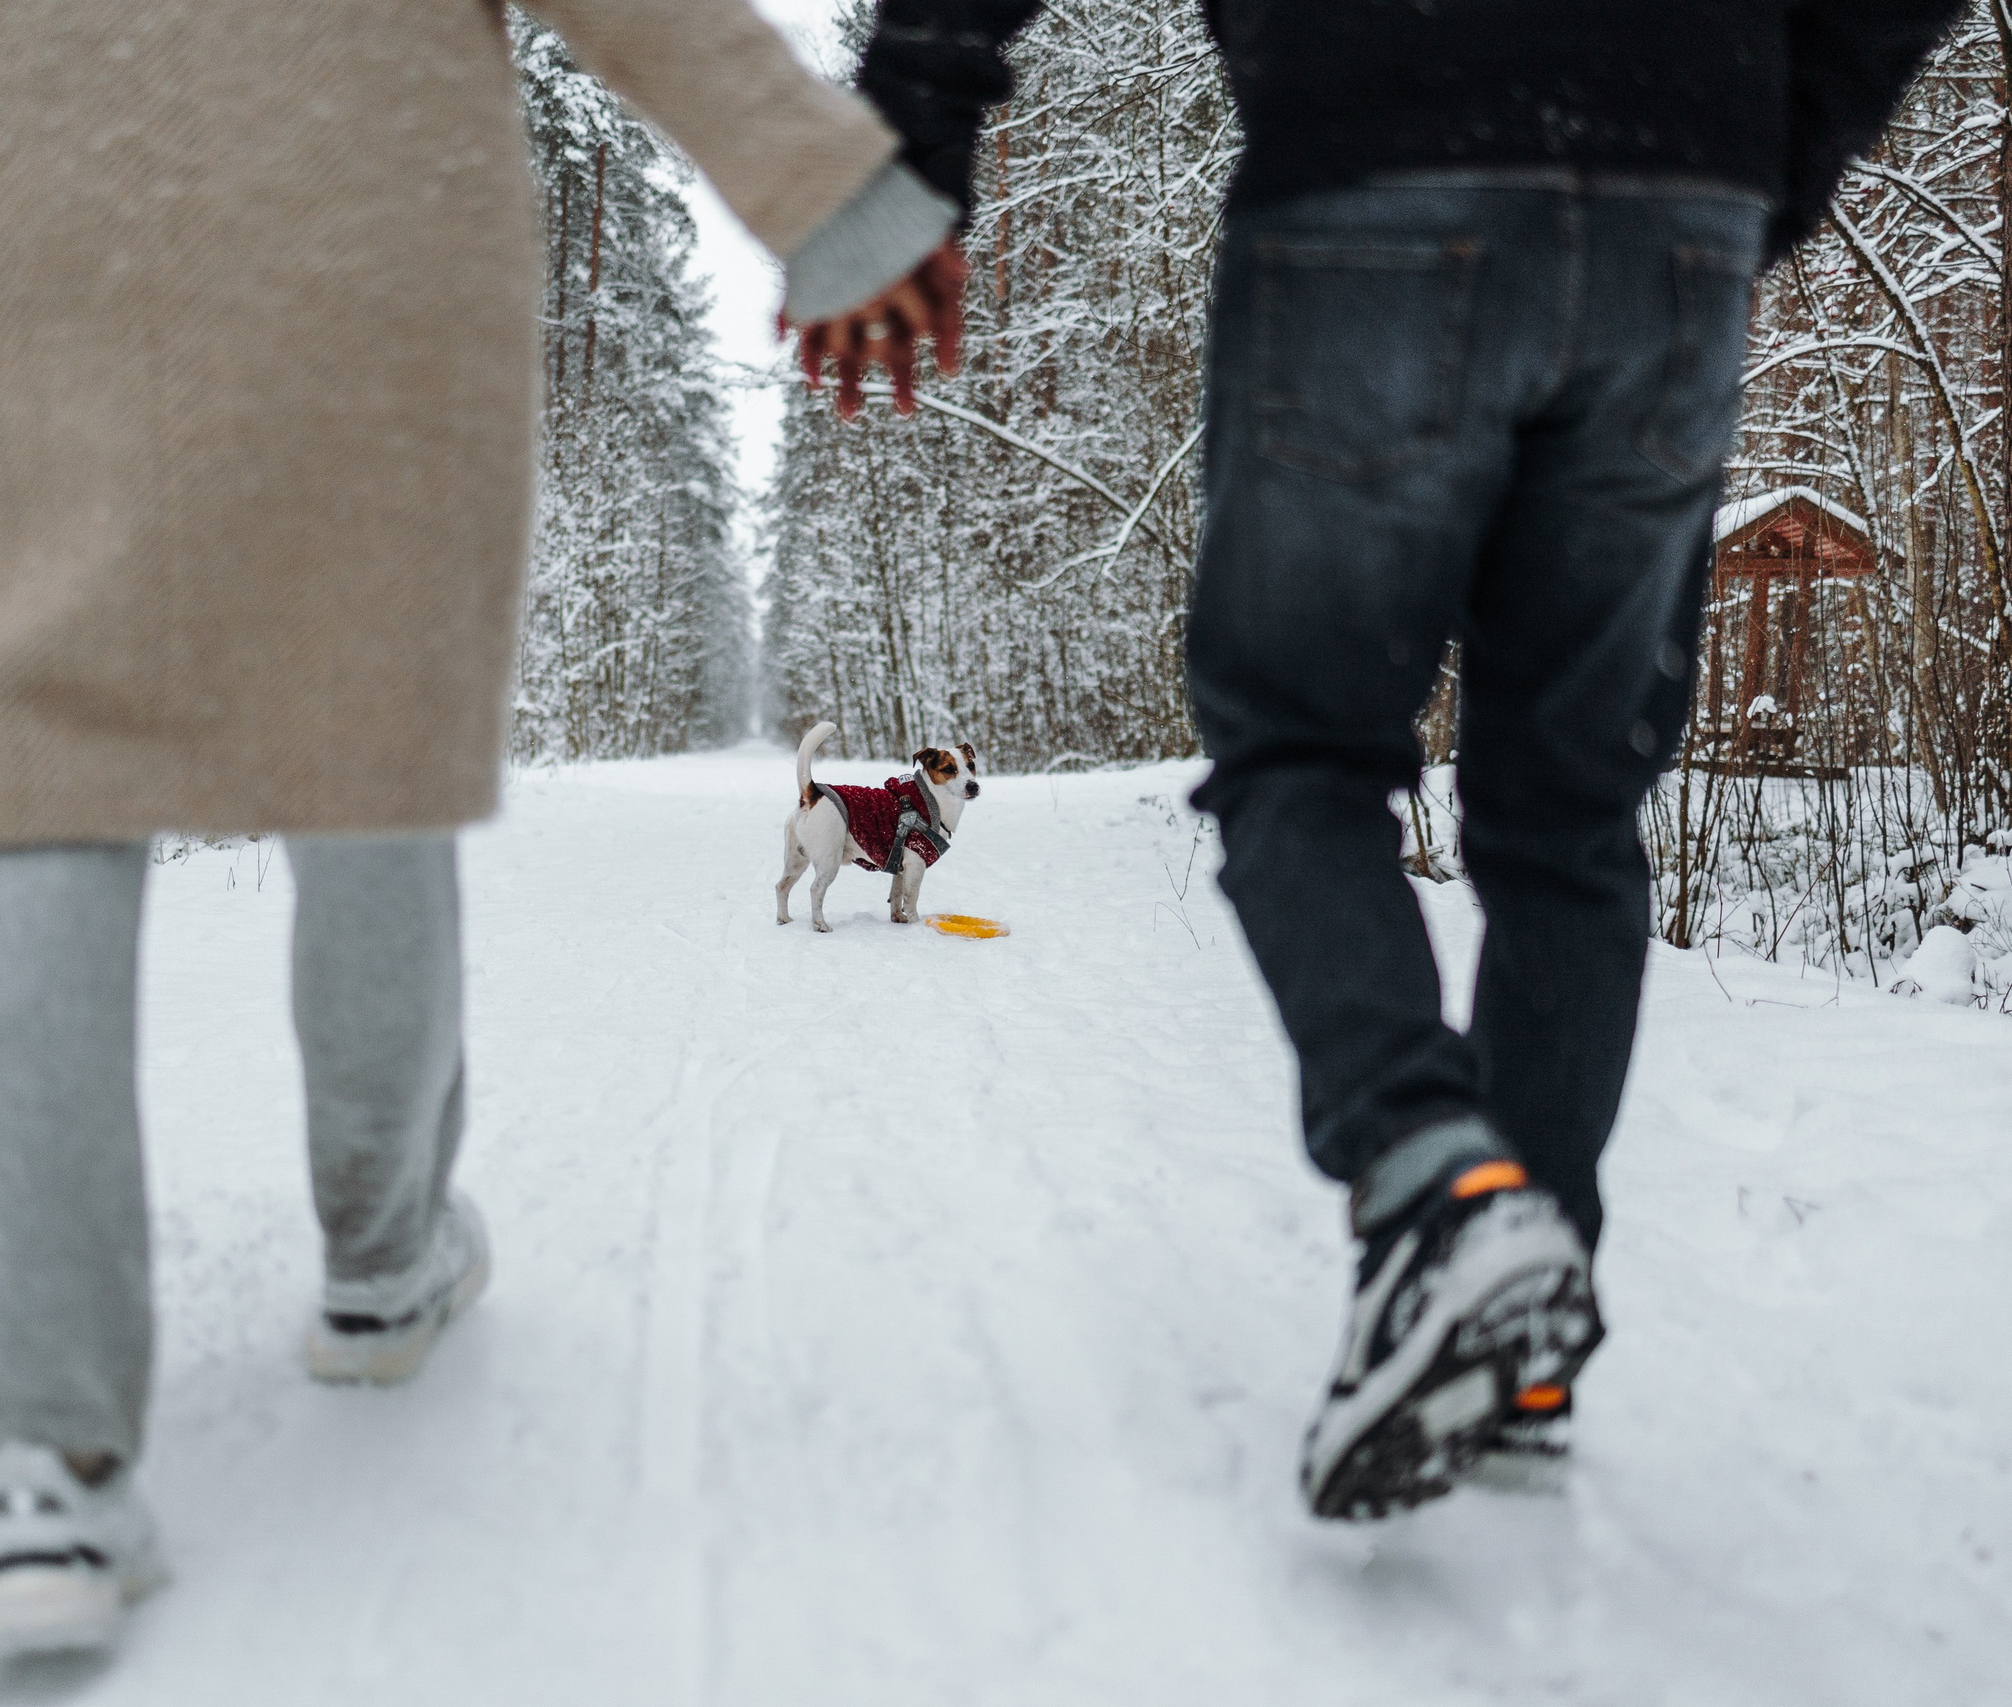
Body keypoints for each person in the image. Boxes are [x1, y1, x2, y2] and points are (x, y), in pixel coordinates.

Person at [0, 0, 966, 1659]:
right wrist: (837, 196)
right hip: (350, 213)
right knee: (366, 745)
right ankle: (385, 1255)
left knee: (15, 787)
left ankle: (39, 1455)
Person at [803, 0, 1960, 1519]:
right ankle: (1521, 1349)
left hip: (1373, 161)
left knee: (1301, 749)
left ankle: (1438, 1196)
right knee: (1571, 812)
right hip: (1682, 203)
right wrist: (1765, 148)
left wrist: (909, 150)